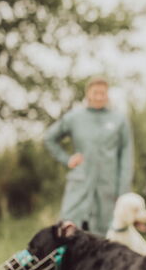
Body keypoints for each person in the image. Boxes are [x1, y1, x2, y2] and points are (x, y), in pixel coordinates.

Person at [44, 76, 134, 235]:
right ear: (88, 94)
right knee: (67, 229)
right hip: (80, 183)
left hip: (108, 187)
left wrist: (123, 190)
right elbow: (50, 138)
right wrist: (67, 159)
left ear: (107, 95)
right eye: (95, 92)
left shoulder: (119, 120)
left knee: (104, 236)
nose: (99, 96)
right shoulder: (74, 117)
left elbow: (126, 156)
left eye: (103, 93)